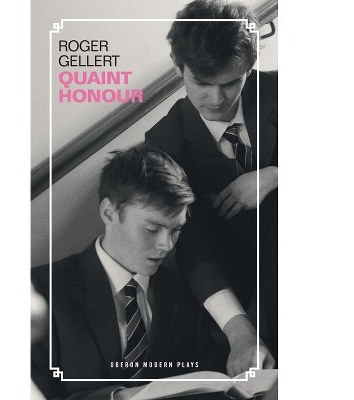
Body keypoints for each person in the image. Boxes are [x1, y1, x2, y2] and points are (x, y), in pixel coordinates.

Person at [145, 0, 278, 376]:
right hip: (235, 291)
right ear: (178, 68)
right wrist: (240, 333)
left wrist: (275, 175)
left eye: (231, 82)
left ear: (250, 66)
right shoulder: (165, 142)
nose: (217, 100)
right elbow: (193, 245)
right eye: (202, 84)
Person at [31, 144, 223, 400]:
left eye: (176, 230)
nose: (167, 245)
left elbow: (208, 384)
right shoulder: (41, 290)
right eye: (152, 229)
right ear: (109, 213)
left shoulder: (183, 294)